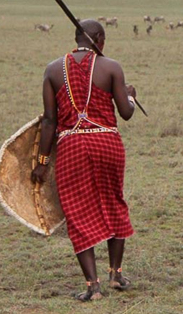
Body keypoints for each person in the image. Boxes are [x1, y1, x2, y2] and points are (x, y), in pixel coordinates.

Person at [31, 20, 137, 302]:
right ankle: (116, 274)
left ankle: (93, 285)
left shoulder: (53, 69)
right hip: (107, 144)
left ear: (77, 38)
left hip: (72, 146)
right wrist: (130, 96)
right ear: (99, 39)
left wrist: (42, 161)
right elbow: (126, 113)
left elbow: (50, 121)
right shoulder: (111, 67)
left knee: (77, 212)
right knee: (114, 201)